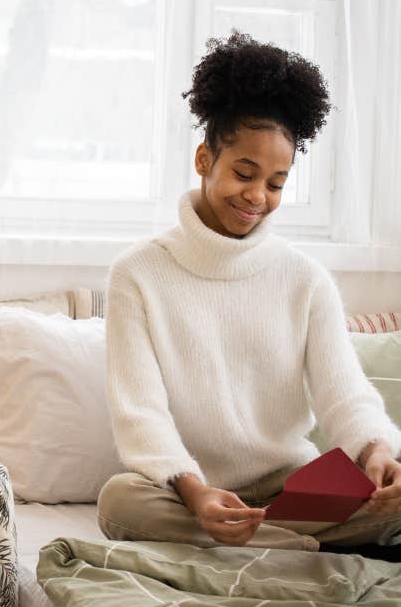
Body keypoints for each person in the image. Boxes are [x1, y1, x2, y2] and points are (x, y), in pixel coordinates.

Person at [98, 32, 401, 552]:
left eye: (277, 183)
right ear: (203, 159)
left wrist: (378, 451)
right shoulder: (137, 275)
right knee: (117, 501)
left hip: (295, 490)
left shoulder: (305, 280)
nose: (258, 196)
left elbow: (344, 395)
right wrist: (196, 494)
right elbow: (140, 413)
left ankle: (252, 543)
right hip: (192, 492)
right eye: (244, 173)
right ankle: (284, 547)